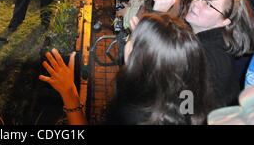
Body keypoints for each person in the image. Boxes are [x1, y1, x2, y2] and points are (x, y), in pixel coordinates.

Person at [39, 13, 215, 125]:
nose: (127, 41)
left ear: (141, 59)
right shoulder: (189, 95)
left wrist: (69, 94)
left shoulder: (135, 115)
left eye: (132, 37)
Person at [153, 0, 254, 108]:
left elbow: (186, 109)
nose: (196, 3)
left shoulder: (207, 56)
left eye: (208, 4)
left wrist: (156, 16)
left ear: (224, 21)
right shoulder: (206, 42)